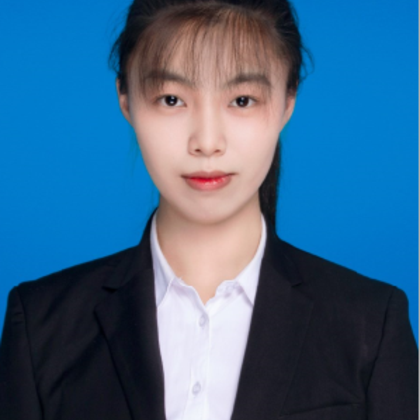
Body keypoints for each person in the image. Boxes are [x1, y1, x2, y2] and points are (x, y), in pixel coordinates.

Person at [0, 0, 417, 419]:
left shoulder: (370, 323)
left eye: (242, 100)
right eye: (171, 99)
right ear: (125, 100)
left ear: (288, 101)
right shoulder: (40, 324)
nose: (206, 142)